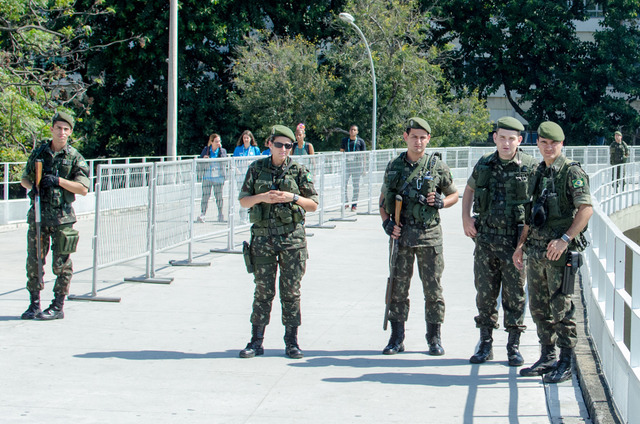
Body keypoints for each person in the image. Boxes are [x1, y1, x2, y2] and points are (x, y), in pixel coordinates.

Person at [513, 121, 593, 384]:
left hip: (558, 255)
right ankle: (547, 356)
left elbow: (585, 209)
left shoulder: (571, 172)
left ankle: (566, 362)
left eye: (554, 143)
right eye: (544, 143)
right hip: (536, 252)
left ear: (562, 144)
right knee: (538, 308)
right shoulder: (537, 171)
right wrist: (520, 246)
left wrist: (565, 239)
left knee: (562, 308)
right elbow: (529, 213)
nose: (549, 148)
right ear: (537, 143)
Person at [238, 125, 319, 359]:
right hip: (263, 239)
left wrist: (292, 197)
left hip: (291, 239)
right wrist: (262, 197)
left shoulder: (298, 170)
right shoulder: (256, 169)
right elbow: (244, 201)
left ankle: (291, 341)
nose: (283, 149)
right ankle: (256, 341)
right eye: (279, 144)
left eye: (288, 146)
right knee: (262, 291)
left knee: (291, 292)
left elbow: (313, 204)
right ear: (269, 144)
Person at [461, 117, 538, 366]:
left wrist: (525, 242)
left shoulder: (530, 167)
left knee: (514, 296)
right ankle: (485, 344)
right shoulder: (484, 163)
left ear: (520, 140)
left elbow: (537, 206)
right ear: (495, 138)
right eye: (501, 137)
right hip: (485, 242)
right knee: (485, 295)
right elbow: (469, 189)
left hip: (515, 244)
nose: (506, 143)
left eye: (511, 138)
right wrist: (465, 218)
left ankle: (513, 346)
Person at [379, 117, 459, 356]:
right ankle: (397, 337)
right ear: (406, 137)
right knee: (398, 289)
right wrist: (386, 223)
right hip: (401, 236)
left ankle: (434, 338)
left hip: (429, 236)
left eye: (423, 137)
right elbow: (383, 202)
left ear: (428, 139)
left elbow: (455, 194)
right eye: (414, 136)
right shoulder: (394, 166)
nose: (418, 141)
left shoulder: (437, 167)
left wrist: (443, 202)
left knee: (433, 289)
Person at [20, 111, 90, 320]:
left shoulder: (74, 157)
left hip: (62, 218)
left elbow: (83, 188)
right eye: (58, 128)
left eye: (66, 129)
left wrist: (58, 181)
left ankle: (58, 305)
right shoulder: (39, 153)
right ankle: (34, 304)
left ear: (70, 132)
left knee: (61, 264)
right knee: (34, 261)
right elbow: (25, 178)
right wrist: (34, 187)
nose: (62, 132)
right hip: (38, 215)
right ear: (52, 129)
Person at [198, 133, 227, 223]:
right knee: (205, 196)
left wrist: (221, 149)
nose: (218, 143)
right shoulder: (206, 150)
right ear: (211, 142)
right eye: (216, 141)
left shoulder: (222, 151)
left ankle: (220, 214)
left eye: (219, 141)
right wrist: (204, 159)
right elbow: (199, 160)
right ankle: (203, 214)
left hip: (218, 177)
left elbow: (224, 161)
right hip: (207, 176)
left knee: (219, 196)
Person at [233, 130, 261, 223]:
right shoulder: (238, 149)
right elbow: (234, 161)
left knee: (252, 195)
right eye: (244, 138)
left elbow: (258, 161)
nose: (245, 139)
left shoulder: (255, 149)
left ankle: (252, 215)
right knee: (243, 195)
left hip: (251, 175)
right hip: (241, 176)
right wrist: (237, 170)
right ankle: (242, 217)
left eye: (247, 138)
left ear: (250, 139)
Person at [340, 125, 366, 211]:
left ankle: (354, 204)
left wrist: (364, 168)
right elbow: (341, 152)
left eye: (354, 130)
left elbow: (364, 155)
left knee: (355, 185)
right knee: (344, 184)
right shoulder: (345, 140)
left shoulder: (360, 142)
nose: (352, 131)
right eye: (351, 130)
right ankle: (345, 202)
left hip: (357, 166)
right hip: (347, 166)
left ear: (357, 132)